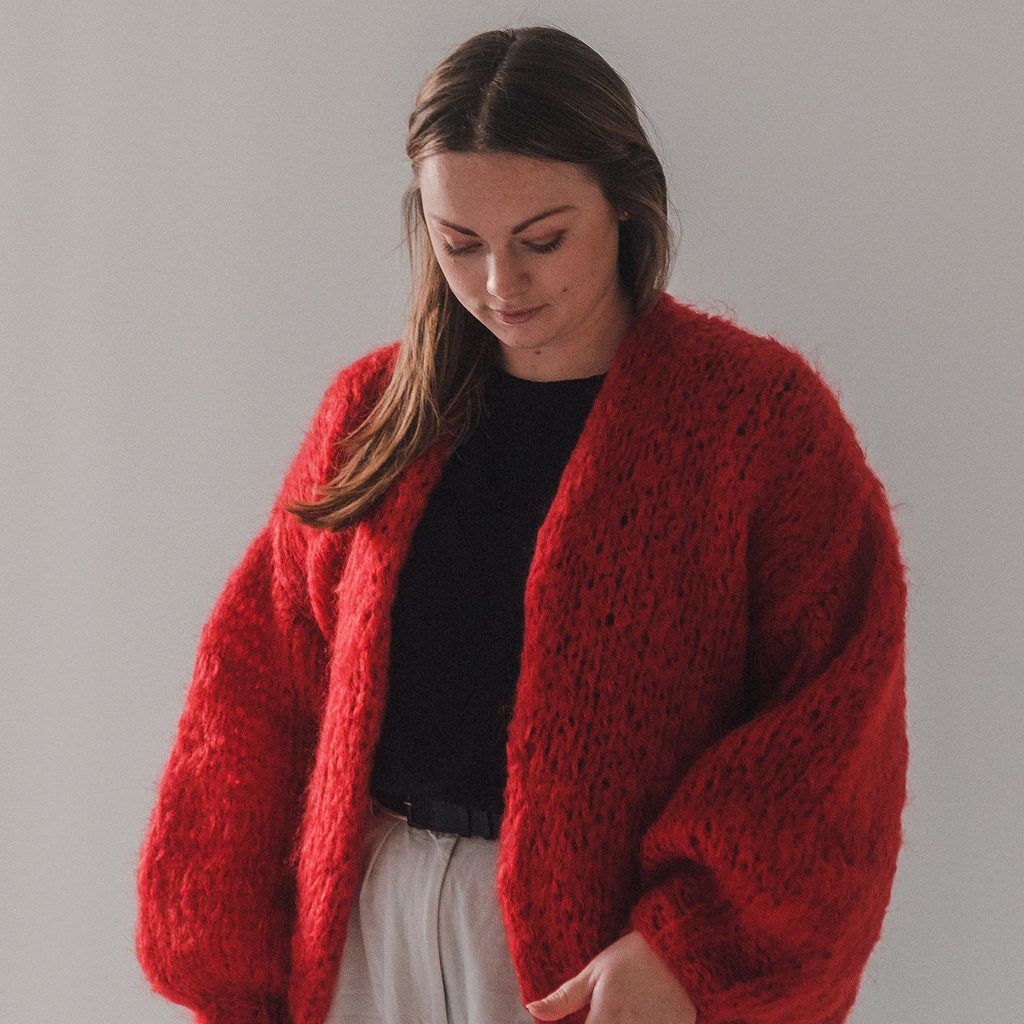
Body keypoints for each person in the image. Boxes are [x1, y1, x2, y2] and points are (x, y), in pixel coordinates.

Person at [135, 24, 909, 1024]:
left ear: (622, 202)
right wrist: (230, 973)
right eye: (460, 243)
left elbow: (834, 713)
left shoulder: (755, 421)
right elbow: (256, 696)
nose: (501, 284)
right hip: (364, 931)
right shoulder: (373, 415)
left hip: (597, 963)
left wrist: (689, 947)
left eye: (542, 239)